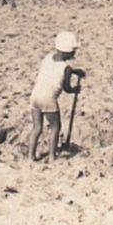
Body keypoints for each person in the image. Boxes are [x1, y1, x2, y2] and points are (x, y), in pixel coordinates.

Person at [28, 31, 81, 163]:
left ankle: (31, 156)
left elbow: (54, 71)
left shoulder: (48, 57)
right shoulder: (66, 68)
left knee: (37, 128)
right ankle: (52, 156)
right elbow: (67, 88)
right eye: (73, 51)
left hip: (35, 96)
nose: (75, 53)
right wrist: (76, 89)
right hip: (48, 99)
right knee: (55, 127)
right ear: (68, 51)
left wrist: (75, 71)